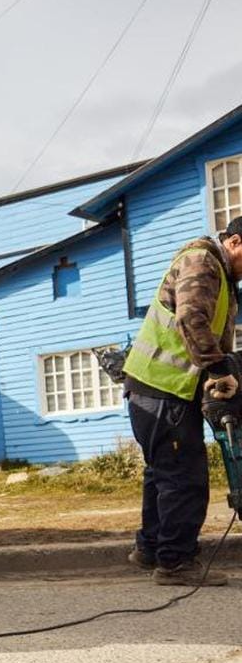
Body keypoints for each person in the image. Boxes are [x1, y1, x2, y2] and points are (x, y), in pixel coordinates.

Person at [123, 218, 242, 586]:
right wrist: (218, 366)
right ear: (236, 242)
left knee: (162, 472)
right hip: (162, 388)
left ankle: (151, 547)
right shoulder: (202, 262)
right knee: (183, 477)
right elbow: (191, 317)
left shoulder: (219, 274)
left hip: (157, 388)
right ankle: (175, 563)